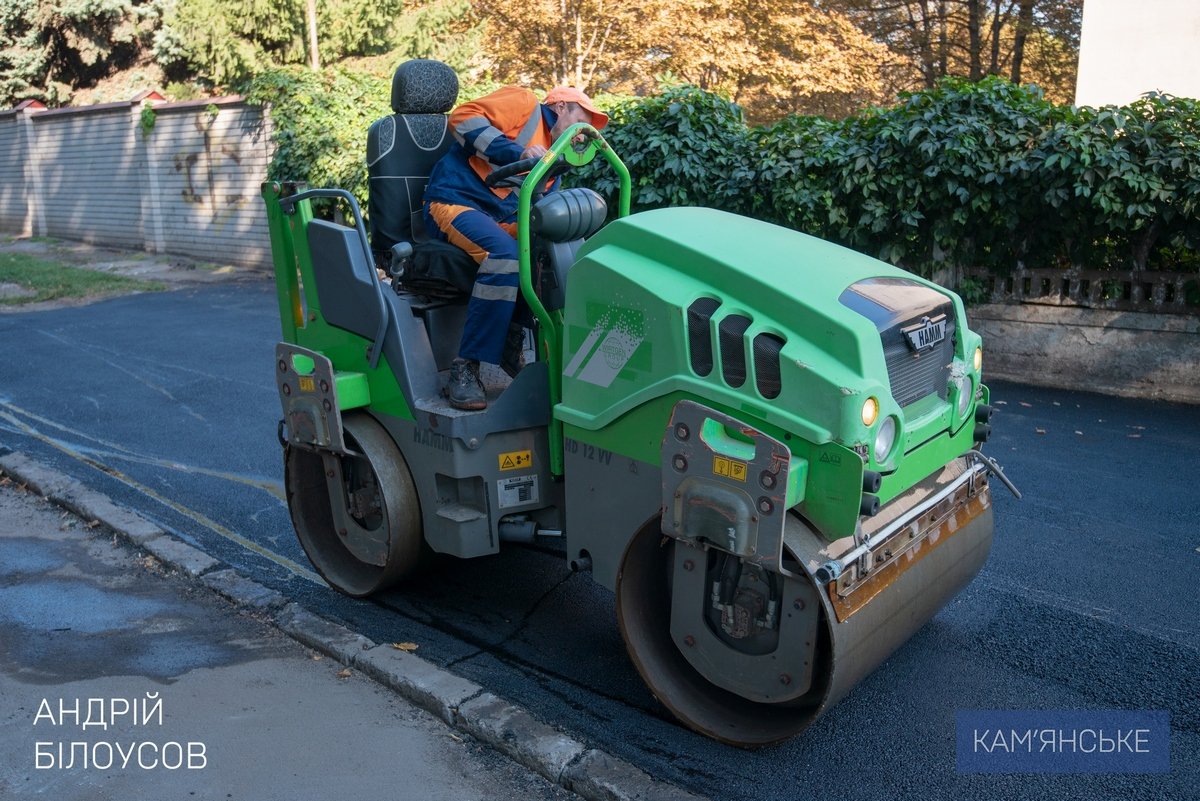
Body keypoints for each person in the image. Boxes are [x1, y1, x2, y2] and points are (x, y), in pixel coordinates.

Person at [423, 85, 608, 411]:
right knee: (505, 257)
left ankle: (514, 342)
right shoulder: (524, 104)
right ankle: (466, 367)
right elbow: (463, 119)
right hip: (456, 202)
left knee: (544, 253)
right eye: (583, 119)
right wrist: (514, 153)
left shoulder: (555, 157)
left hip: (499, 217)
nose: (583, 134)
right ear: (561, 106)